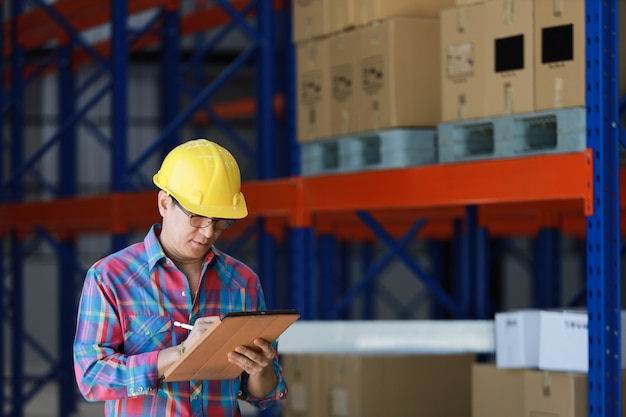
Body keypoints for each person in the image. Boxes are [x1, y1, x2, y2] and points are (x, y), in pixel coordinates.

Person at [73, 139, 287, 416]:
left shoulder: (243, 282)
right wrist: (182, 352)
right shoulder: (111, 278)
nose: (209, 232)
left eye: (220, 220)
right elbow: (91, 378)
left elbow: (264, 395)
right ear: (164, 202)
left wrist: (262, 369)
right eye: (197, 217)